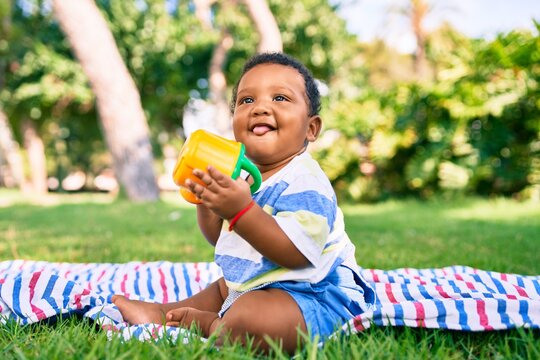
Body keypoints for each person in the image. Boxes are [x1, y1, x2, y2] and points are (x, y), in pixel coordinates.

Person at [112, 52, 375, 353]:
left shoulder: (306, 181)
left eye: (280, 98)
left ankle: (210, 324)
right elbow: (223, 238)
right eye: (247, 101)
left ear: (311, 128)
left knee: (252, 317)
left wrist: (241, 210)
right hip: (260, 284)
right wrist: (207, 202)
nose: (260, 107)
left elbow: (297, 253)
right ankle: (165, 313)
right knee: (225, 287)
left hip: (316, 295)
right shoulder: (242, 176)